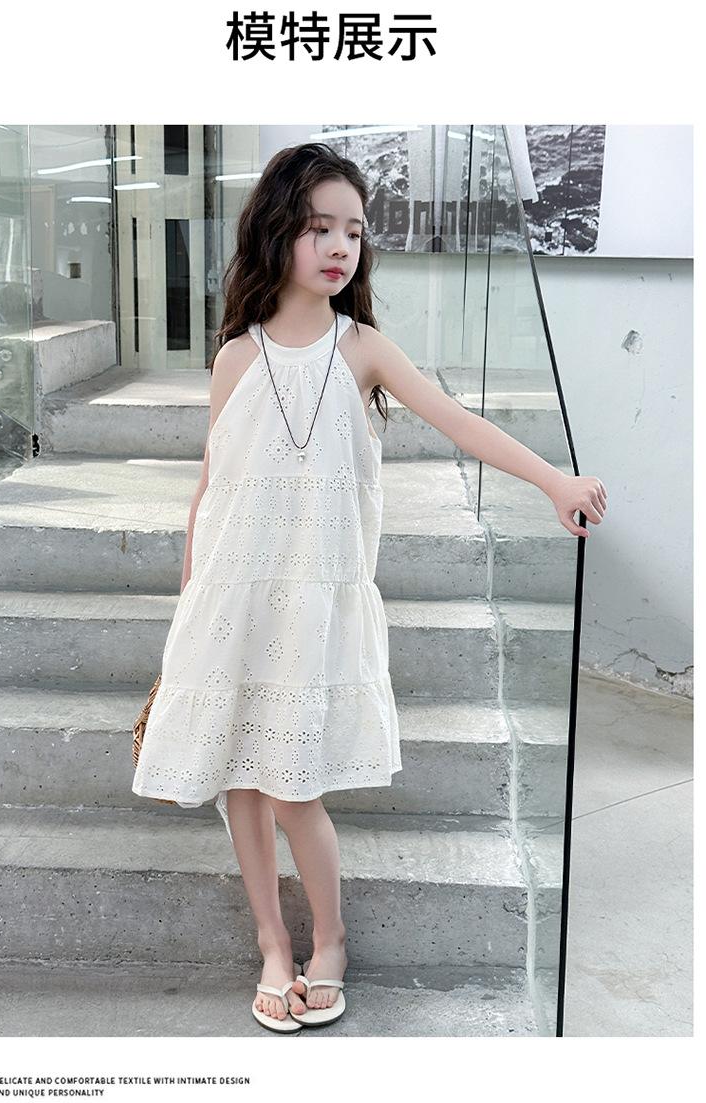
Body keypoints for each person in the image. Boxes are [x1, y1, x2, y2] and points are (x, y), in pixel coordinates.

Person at [132, 141, 607, 1033]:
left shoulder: (362, 348)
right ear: (278, 231)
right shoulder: (235, 356)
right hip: (230, 599)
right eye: (319, 227)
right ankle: (273, 943)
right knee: (241, 785)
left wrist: (554, 480)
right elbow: (211, 487)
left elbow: (459, 421)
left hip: (312, 604)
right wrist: (189, 604)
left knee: (291, 787)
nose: (339, 246)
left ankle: (332, 938)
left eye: (353, 230)